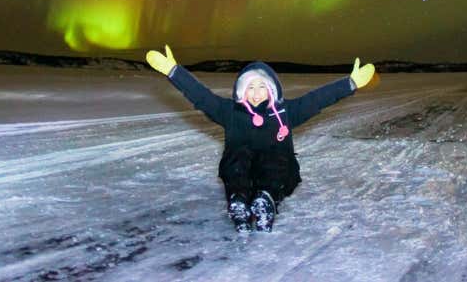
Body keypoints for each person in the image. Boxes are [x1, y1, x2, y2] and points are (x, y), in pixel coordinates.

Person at [146, 45, 375, 232]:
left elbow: (316, 100)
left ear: (271, 89)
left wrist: (350, 83)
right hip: (243, 173)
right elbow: (202, 97)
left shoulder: (287, 113)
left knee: (274, 157)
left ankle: (266, 201)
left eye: (262, 87)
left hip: (277, 173)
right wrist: (174, 71)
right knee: (237, 155)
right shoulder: (230, 113)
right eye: (250, 87)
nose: (256, 93)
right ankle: (239, 203)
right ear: (241, 91)